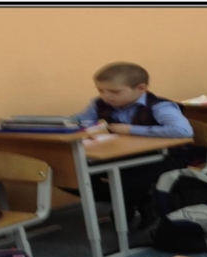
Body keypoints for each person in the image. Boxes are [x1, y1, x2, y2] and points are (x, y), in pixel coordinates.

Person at [74, 62, 194, 228]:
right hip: (125, 154)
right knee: (77, 172)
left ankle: (128, 203)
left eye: (115, 92)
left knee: (126, 177)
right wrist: (67, 125)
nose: (106, 96)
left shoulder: (159, 106)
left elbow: (183, 131)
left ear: (141, 88)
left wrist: (130, 129)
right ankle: (139, 200)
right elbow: (81, 121)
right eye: (100, 90)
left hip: (169, 155)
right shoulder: (99, 103)